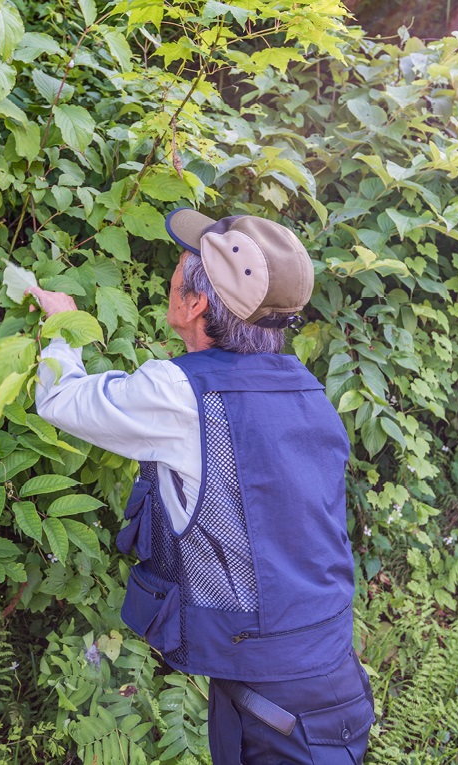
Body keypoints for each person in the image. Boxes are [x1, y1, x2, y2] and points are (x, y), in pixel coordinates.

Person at [28, 207, 374, 765]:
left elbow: (63, 400)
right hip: (325, 668)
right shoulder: (308, 390)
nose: (171, 280)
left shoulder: (181, 393)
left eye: (177, 275)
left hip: (274, 698)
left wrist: (60, 329)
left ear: (195, 305)